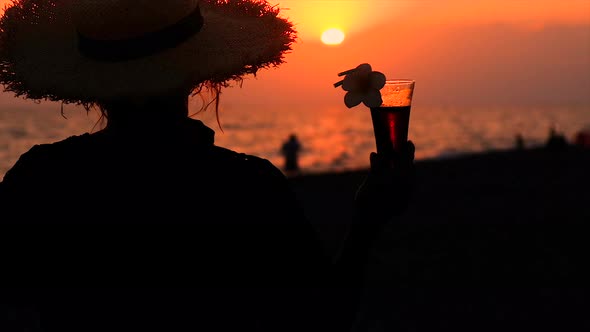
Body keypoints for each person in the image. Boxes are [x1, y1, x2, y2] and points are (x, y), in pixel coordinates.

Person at [0, 1, 415, 331]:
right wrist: (367, 219)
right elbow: (323, 316)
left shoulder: (42, 179)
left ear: (93, 83)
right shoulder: (246, 188)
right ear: (198, 76)